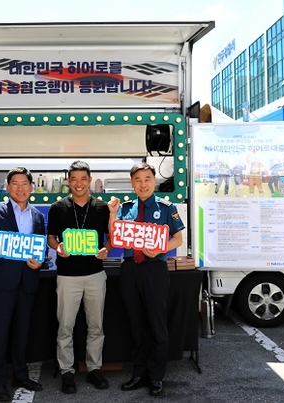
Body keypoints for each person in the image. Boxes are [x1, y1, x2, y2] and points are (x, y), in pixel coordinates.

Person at [107, 162, 185, 397]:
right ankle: (138, 373)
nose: (143, 184)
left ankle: (157, 376)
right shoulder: (125, 208)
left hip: (155, 270)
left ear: (154, 181)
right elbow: (115, 237)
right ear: (132, 184)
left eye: (147, 179)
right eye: (138, 180)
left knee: (157, 324)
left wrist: (162, 248)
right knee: (136, 324)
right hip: (131, 270)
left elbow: (178, 238)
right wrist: (112, 214)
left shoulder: (166, 207)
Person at [0, 167, 46, 402]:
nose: (20, 188)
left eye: (24, 184)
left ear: (31, 187)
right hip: (2, 282)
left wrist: (40, 261)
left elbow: (41, 247)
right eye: (15, 183)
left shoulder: (37, 215)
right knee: (0, 334)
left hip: (28, 281)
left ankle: (21, 376)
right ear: (8, 187)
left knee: (22, 334)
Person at [47, 160, 112, 394]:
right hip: (67, 276)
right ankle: (67, 370)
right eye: (74, 179)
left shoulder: (102, 208)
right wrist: (58, 247)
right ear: (68, 181)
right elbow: (51, 237)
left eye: (83, 178)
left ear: (90, 180)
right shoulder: (57, 207)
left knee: (96, 326)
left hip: (95, 274)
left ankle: (94, 368)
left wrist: (106, 250)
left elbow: (111, 238)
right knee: (65, 326)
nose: (78, 183)